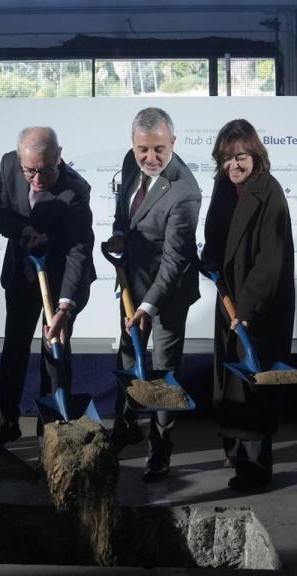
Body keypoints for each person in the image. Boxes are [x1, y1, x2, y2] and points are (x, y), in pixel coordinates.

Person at [105, 107, 201, 482]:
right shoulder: (132, 163)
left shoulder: (185, 191)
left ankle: (160, 450)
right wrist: (118, 233)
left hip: (169, 293)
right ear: (133, 145)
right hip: (133, 281)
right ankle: (123, 430)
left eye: (159, 149)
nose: (151, 158)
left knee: (162, 371)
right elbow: (124, 212)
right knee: (127, 357)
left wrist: (148, 306)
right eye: (143, 149)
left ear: (173, 143)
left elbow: (175, 260)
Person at [200, 119, 295, 491]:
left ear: (254, 154)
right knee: (231, 378)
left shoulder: (269, 192)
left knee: (253, 384)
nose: (233, 165)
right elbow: (215, 236)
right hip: (230, 299)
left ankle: (256, 469)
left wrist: (246, 308)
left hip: (260, 306)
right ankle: (236, 451)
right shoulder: (224, 187)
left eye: (240, 157)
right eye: (226, 159)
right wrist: (207, 260)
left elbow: (271, 261)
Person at [0, 126, 96, 444]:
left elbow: (78, 249)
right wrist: (25, 232)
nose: (36, 179)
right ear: (19, 160)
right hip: (23, 272)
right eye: (29, 171)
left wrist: (65, 305)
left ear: (59, 155)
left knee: (55, 348)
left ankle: (52, 427)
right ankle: (6, 420)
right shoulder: (9, 164)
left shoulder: (77, 190)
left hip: (63, 275)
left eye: (45, 170)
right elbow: (0, 216)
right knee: (14, 348)